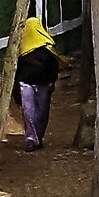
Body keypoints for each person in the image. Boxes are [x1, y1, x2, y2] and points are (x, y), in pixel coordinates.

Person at [14, 16, 60, 149]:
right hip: (26, 83)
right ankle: (31, 139)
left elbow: (54, 66)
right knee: (28, 111)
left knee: (42, 112)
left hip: (43, 84)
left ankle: (38, 137)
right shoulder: (21, 48)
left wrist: (52, 81)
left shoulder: (47, 48)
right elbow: (16, 68)